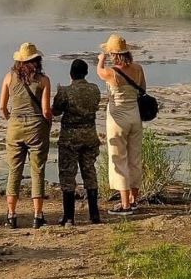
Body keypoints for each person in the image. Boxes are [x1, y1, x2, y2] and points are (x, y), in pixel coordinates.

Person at [0, 42, 53, 229]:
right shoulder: (44, 80)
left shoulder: (9, 77)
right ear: (37, 60)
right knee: (37, 170)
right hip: (37, 127)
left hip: (15, 126)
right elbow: (46, 110)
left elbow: (2, 107)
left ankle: (11, 215)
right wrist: (49, 121)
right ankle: (38, 216)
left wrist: (11, 119)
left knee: (14, 170)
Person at [97, 34, 145, 215]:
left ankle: (125, 204)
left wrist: (100, 60)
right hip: (135, 116)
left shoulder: (111, 72)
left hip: (117, 119)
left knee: (119, 158)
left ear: (113, 54)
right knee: (134, 158)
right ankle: (134, 199)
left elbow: (99, 72)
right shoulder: (138, 69)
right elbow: (143, 90)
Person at [52, 58, 103, 226]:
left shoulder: (66, 92)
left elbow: (56, 111)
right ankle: (94, 214)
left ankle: (69, 216)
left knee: (68, 175)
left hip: (70, 139)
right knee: (90, 172)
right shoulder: (94, 89)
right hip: (90, 135)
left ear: (71, 74)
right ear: (86, 73)